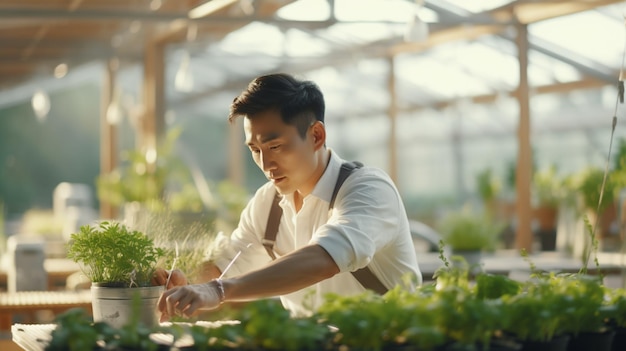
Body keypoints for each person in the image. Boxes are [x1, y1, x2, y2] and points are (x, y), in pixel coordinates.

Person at [154, 73, 422, 321]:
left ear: (316, 135)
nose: (266, 164)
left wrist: (218, 290)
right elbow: (228, 266)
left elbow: (325, 258)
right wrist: (190, 285)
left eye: (276, 146)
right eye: (255, 149)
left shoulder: (368, 189)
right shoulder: (266, 204)